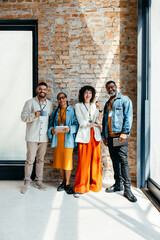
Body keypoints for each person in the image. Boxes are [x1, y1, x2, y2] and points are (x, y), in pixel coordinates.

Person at [102, 80, 137, 202]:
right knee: (114, 160)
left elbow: (128, 116)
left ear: (116, 87)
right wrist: (104, 136)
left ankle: (127, 189)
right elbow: (104, 121)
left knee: (123, 160)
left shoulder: (124, 100)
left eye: (112, 87)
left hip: (119, 136)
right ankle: (118, 184)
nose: (110, 89)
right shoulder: (108, 103)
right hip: (110, 137)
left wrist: (125, 132)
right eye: (108, 88)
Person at [21, 82, 53, 194]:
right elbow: (23, 118)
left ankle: (39, 181)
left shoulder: (50, 105)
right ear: (37, 90)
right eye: (40, 89)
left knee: (41, 160)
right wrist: (34, 115)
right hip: (32, 137)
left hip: (43, 138)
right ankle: (26, 182)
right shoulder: (29, 102)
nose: (42, 91)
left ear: (47, 91)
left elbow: (51, 120)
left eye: (44, 89)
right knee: (30, 160)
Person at [74, 85, 103, 198]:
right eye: (86, 93)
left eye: (90, 93)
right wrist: (96, 124)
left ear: (92, 95)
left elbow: (99, 120)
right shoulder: (78, 106)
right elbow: (82, 123)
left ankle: (95, 185)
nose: (88, 95)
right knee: (83, 162)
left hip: (95, 136)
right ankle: (81, 187)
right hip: (84, 136)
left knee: (96, 162)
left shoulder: (94, 106)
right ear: (82, 94)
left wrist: (100, 110)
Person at [48, 92, 78, 195]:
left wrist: (70, 128)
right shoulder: (56, 112)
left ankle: (68, 184)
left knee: (67, 163)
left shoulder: (71, 111)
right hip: (57, 140)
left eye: (63, 97)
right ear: (58, 100)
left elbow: (76, 124)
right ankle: (64, 181)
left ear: (66, 98)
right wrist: (52, 130)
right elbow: (51, 125)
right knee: (60, 162)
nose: (61, 100)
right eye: (59, 98)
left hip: (68, 140)